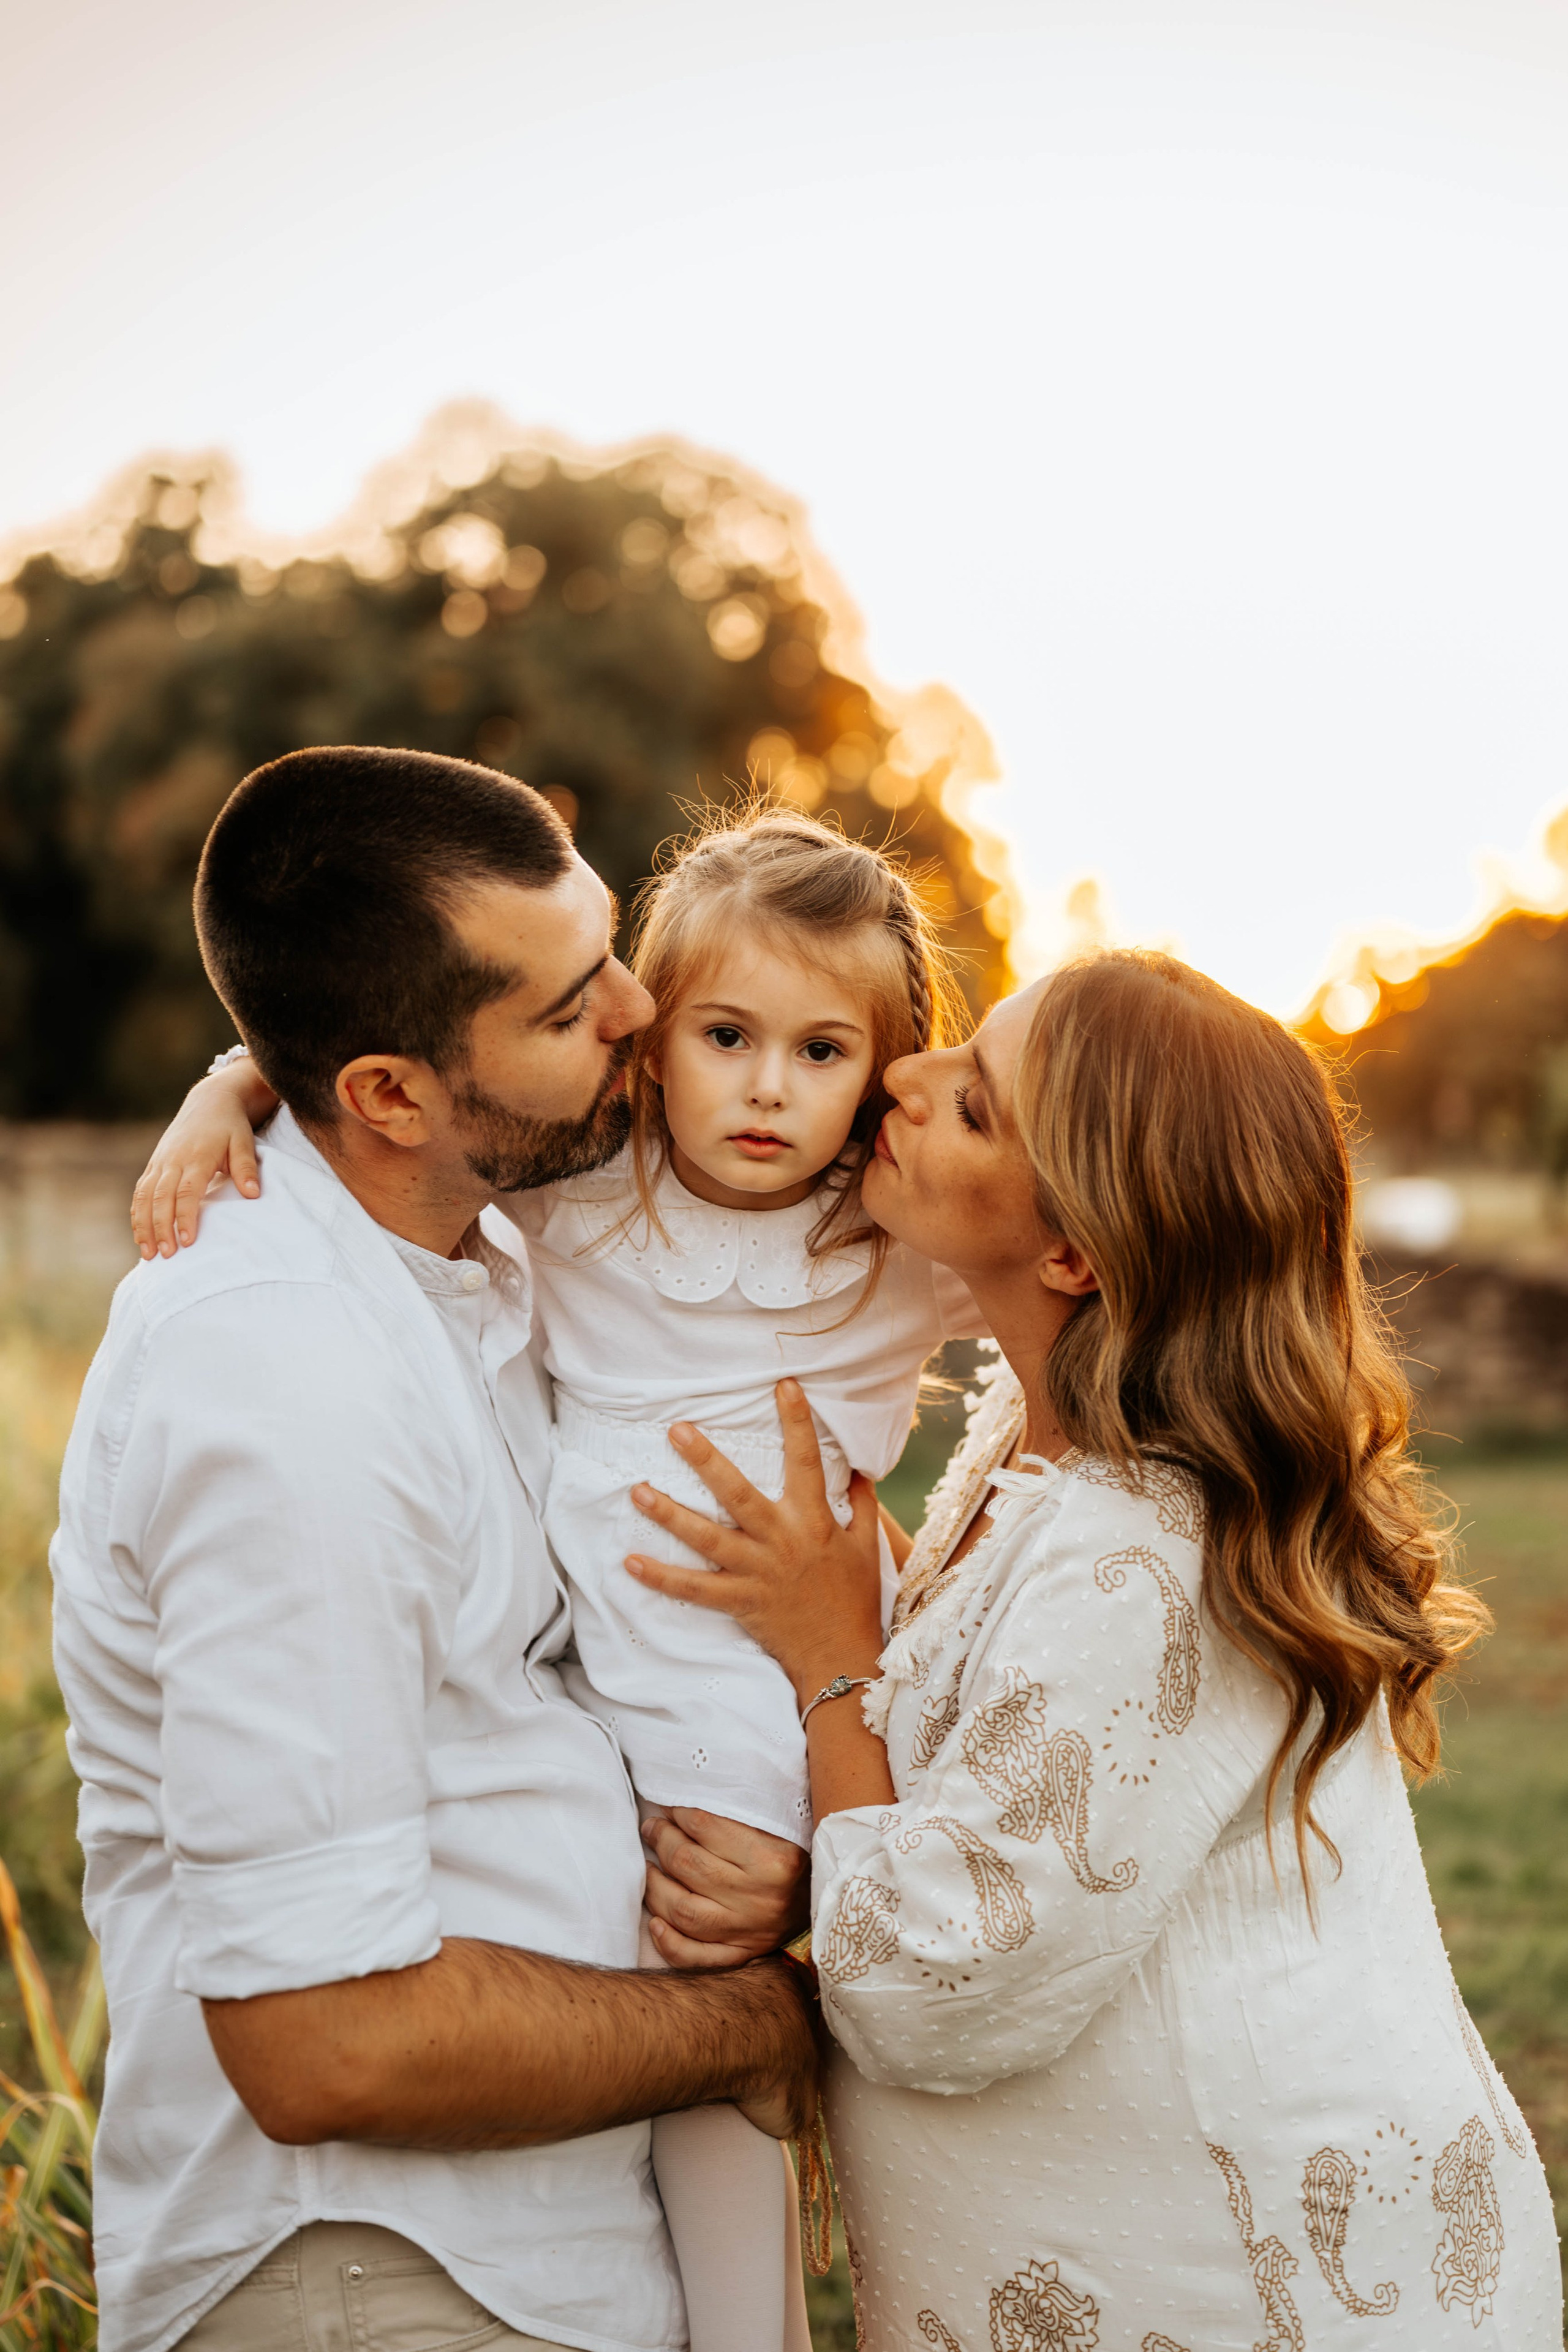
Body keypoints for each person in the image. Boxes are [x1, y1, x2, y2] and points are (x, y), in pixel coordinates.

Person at [133, 803, 987, 2352]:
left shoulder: (527, 1242)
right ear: (393, 1094)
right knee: (732, 2006)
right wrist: (232, 1088)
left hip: (743, 1689)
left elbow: (1086, 1218)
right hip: (378, 2251)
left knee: (741, 1979)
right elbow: (317, 2040)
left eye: (616, 967)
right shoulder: (381, 1314)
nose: (635, 1018)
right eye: (585, 1001)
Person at [624, 949, 1566, 2350]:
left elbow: (934, 1981)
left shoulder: (1148, 1551)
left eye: (975, 1107)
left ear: (1071, 1251)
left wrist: (829, 1662)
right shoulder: (1040, 1439)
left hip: (1247, 2291)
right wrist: (249, 1090)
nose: (901, 1075)